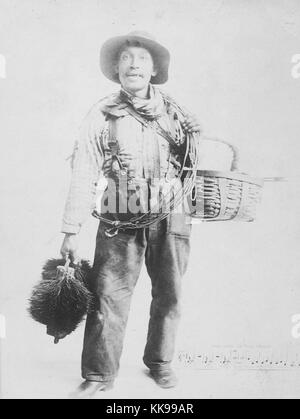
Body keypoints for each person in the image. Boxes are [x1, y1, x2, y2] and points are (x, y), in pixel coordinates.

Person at [60, 31, 201, 398]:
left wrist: (197, 137)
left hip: (173, 213)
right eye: (126, 59)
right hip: (119, 213)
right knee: (108, 294)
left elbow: (194, 165)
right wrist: (70, 229)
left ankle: (161, 362)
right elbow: (84, 170)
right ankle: (98, 372)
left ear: (154, 70)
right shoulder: (101, 113)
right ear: (116, 69)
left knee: (170, 293)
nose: (133, 64)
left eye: (141, 59)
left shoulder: (178, 115)